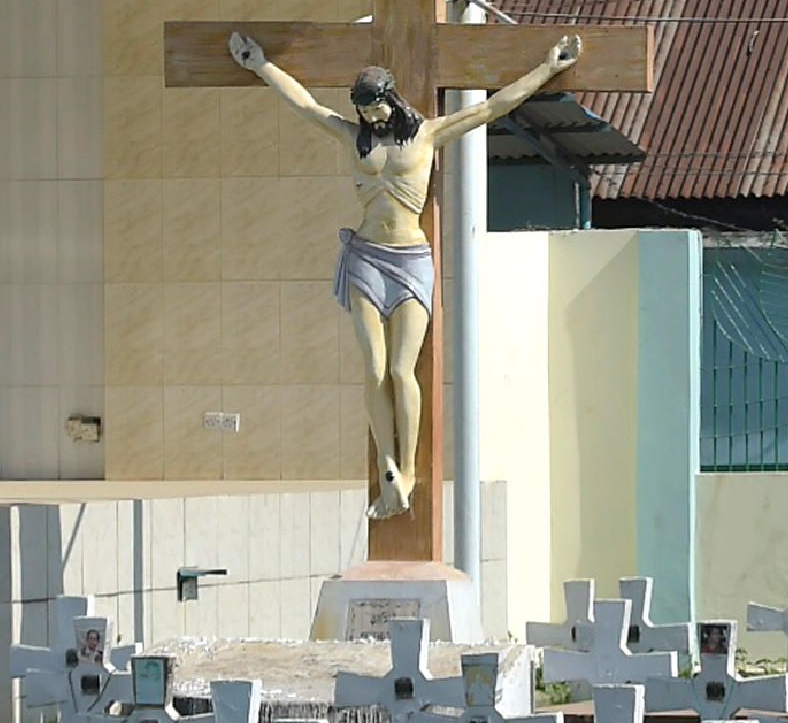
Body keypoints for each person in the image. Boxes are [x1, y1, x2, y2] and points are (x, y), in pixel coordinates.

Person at [226, 26, 584, 517]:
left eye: (374, 108)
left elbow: (490, 108)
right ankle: (387, 463)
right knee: (373, 368)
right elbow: (306, 105)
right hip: (366, 258)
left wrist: (547, 68)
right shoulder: (353, 137)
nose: (369, 117)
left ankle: (409, 471)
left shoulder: (428, 134)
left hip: (410, 260)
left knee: (401, 369)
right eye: (362, 110)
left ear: (390, 99)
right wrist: (261, 65)